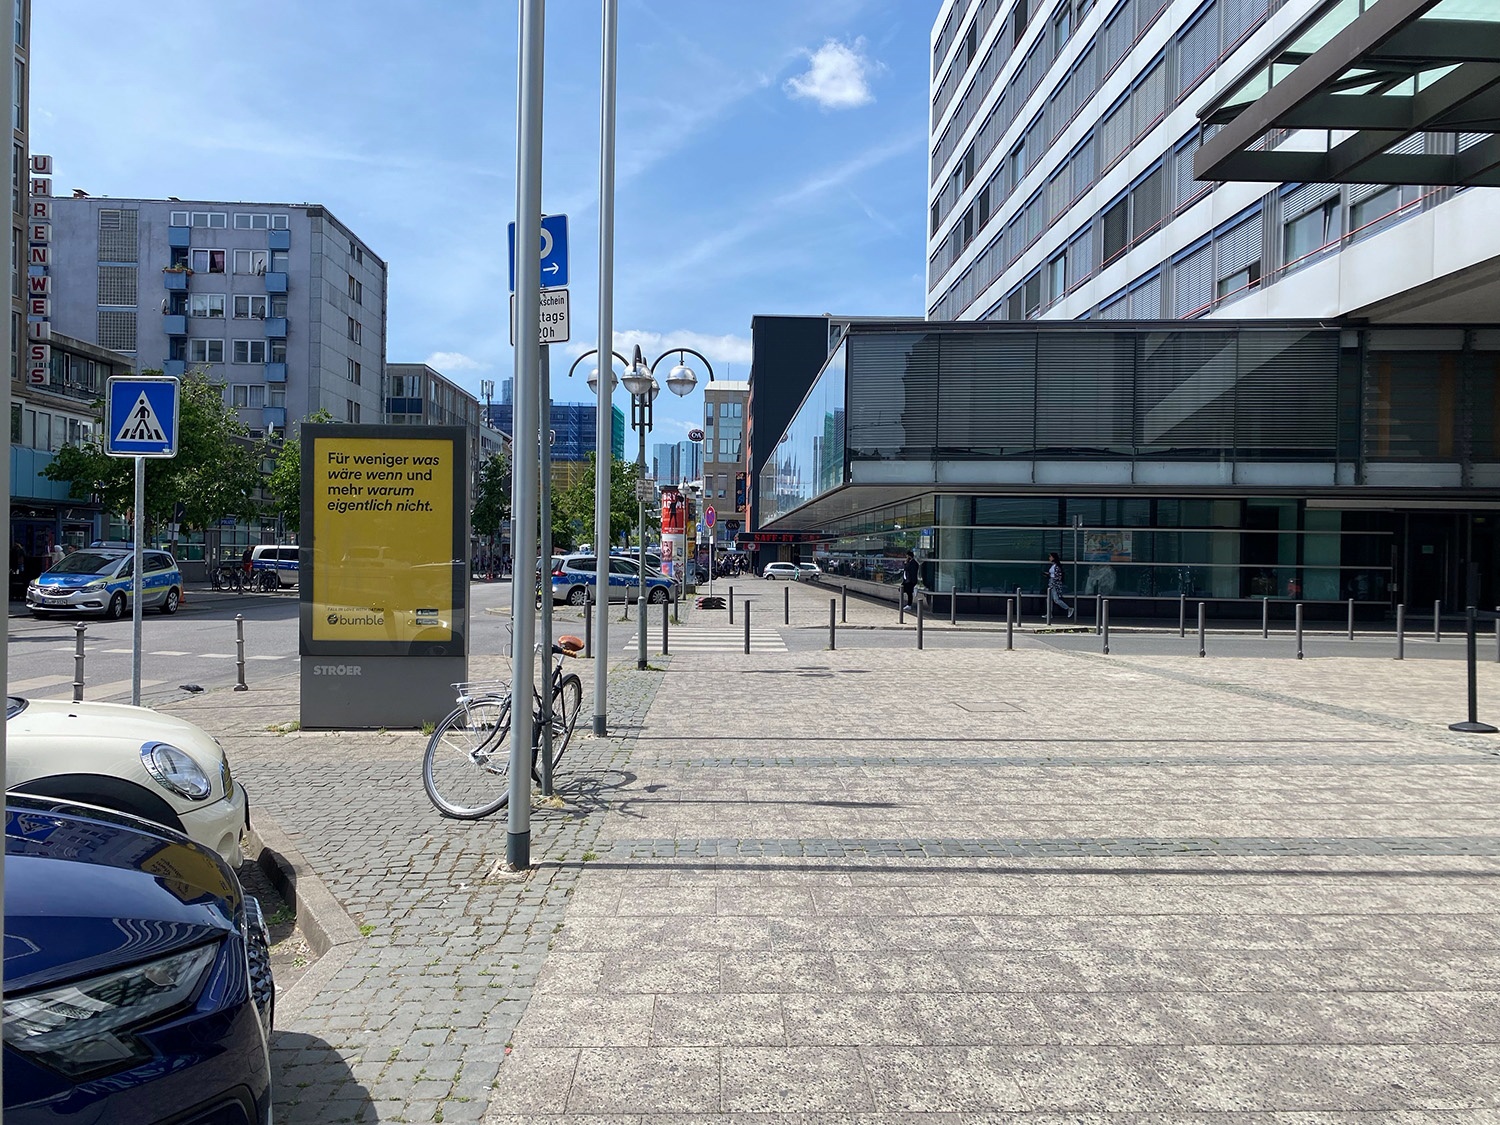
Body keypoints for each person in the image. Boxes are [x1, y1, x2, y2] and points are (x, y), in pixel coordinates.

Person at [1047, 551, 1074, 619]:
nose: (1049, 558)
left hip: (1054, 584)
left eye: (1050, 557)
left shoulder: (1057, 566)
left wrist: (1053, 581)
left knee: (1056, 599)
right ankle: (1049, 613)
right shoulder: (1053, 566)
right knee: (1049, 599)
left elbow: (1058, 576)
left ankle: (1068, 608)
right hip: (1051, 583)